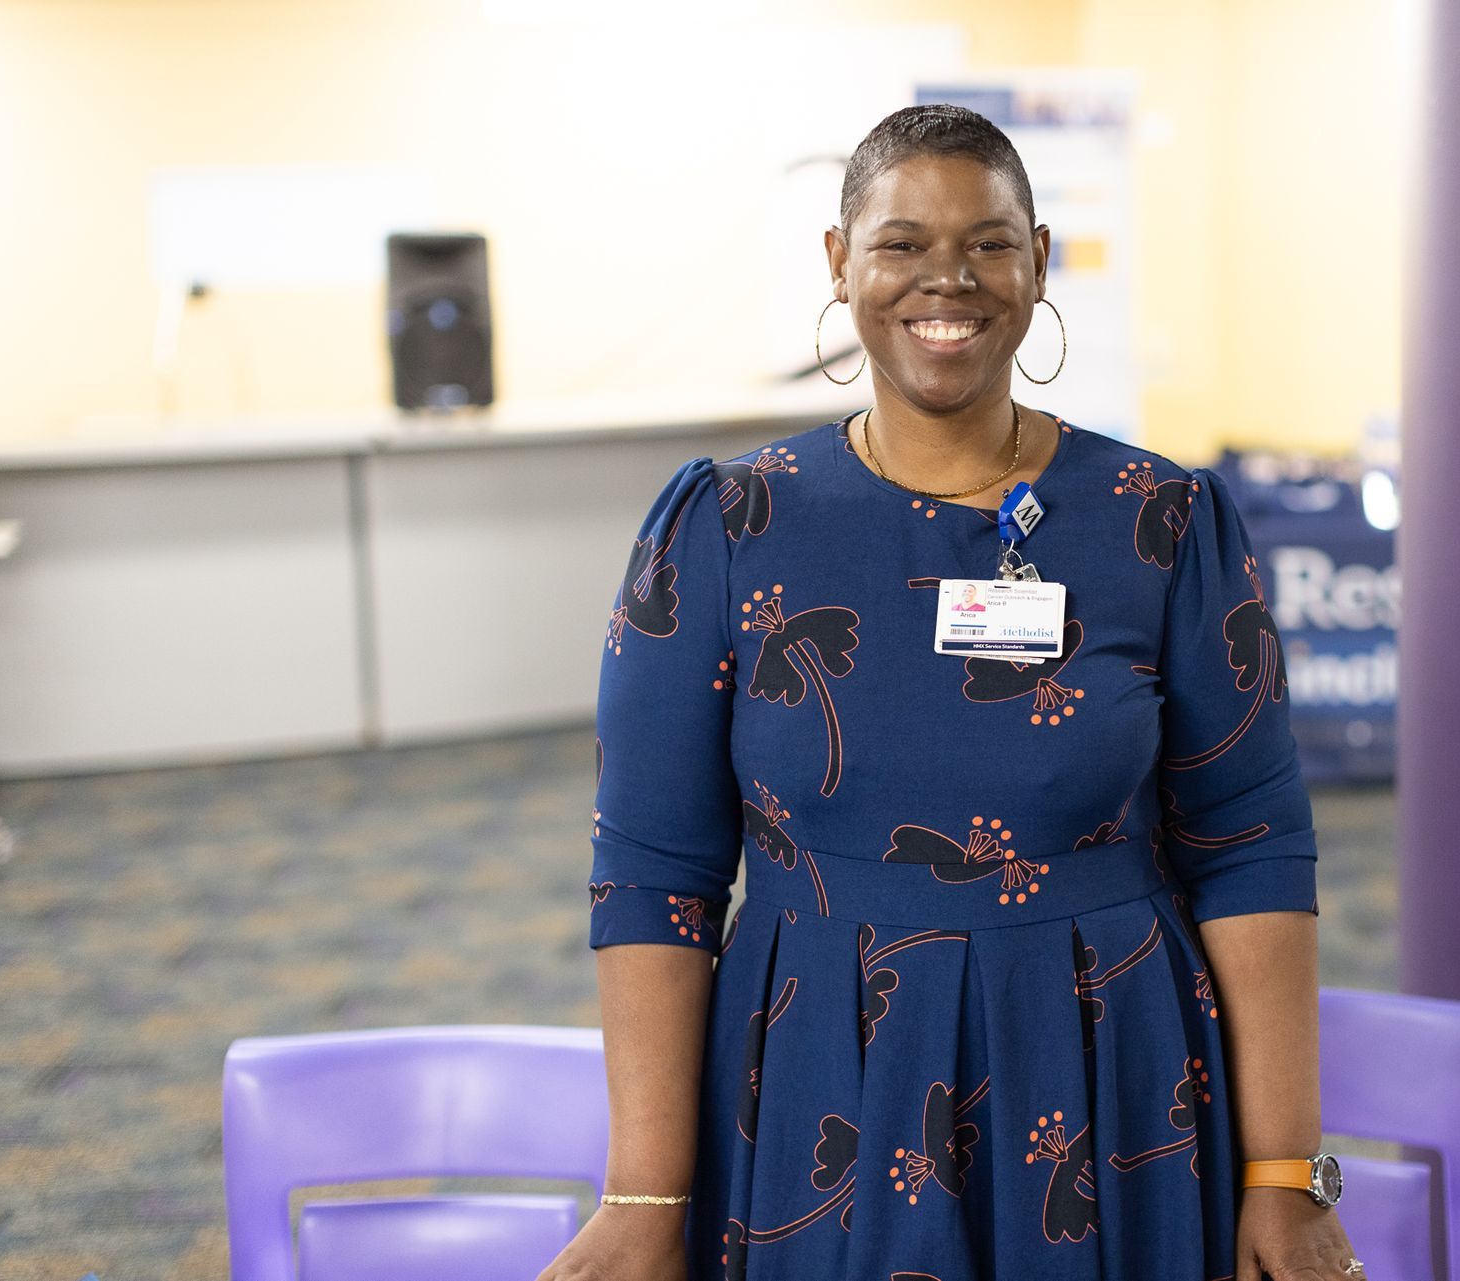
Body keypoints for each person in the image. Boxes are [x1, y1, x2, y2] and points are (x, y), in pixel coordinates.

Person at [540, 103, 1359, 1281]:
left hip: (1104, 1066)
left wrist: (1284, 1172)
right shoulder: (728, 524)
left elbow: (1253, 844)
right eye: (903, 243)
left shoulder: (1160, 522)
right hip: (817, 1071)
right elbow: (655, 876)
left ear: (1037, 263)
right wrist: (644, 1194)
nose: (950, 279)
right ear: (840, 263)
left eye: (989, 242)